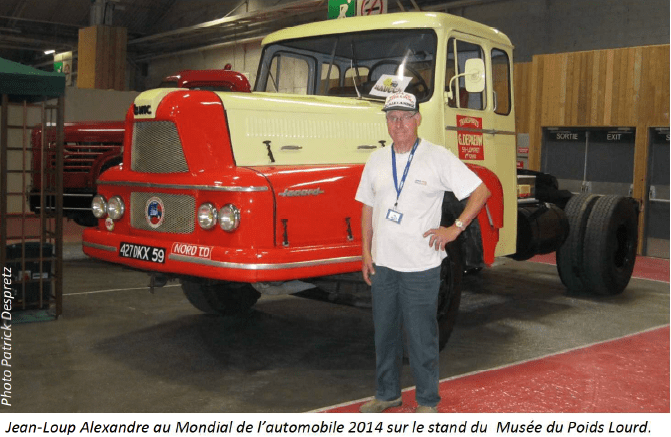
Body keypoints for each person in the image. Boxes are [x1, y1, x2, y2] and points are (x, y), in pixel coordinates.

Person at [355, 92, 491, 413]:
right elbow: (367, 207)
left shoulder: (437, 157)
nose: (398, 123)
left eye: (405, 117)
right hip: (383, 265)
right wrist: (365, 252)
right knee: (385, 333)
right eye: (392, 118)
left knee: (421, 336)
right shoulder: (376, 160)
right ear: (386, 122)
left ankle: (428, 401)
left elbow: (481, 191)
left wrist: (455, 228)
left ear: (418, 119)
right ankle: (387, 394)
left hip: (421, 267)